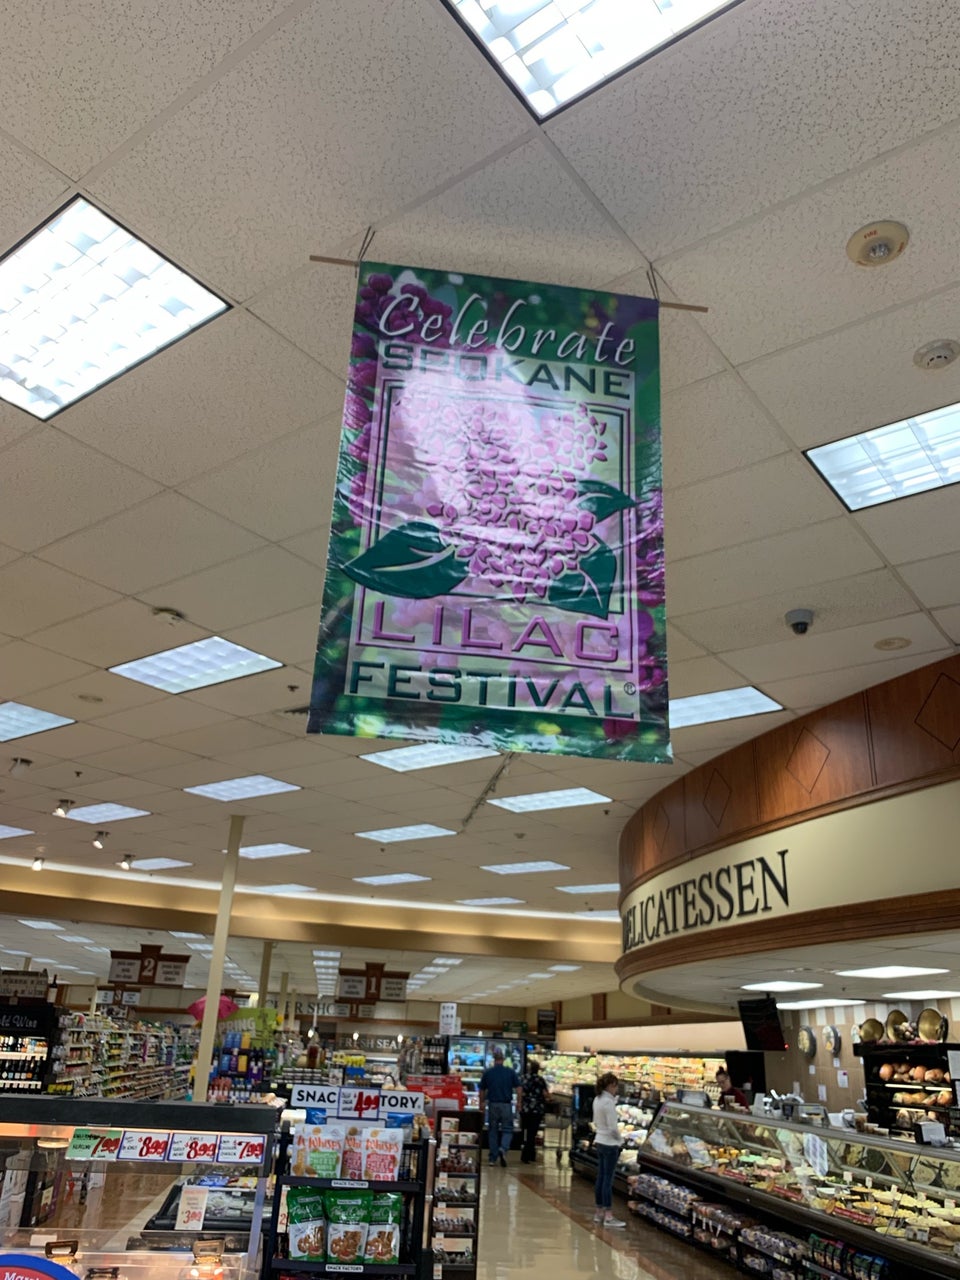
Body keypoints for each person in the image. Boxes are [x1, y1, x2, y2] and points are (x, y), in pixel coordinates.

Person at [479, 1047, 522, 1167]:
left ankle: (492, 1158)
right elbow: (519, 1088)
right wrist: (519, 1102)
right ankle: (503, 1148)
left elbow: (482, 1089)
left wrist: (481, 1103)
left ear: (494, 1060)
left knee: (492, 1131)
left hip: (492, 1104)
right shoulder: (510, 1072)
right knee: (507, 1129)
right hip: (506, 1105)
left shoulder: (488, 1072)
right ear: (503, 1060)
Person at [592, 1071, 625, 1227]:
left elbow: (596, 1122)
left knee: (600, 1177)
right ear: (611, 1085)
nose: (616, 1090)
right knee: (608, 1179)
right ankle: (609, 1216)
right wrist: (621, 1140)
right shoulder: (609, 1102)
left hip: (599, 1140)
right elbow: (613, 1127)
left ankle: (599, 1212)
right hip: (610, 1144)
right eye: (616, 1086)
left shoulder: (597, 1099)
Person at [519, 1059, 549, 1163]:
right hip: (537, 1109)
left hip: (525, 1108)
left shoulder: (523, 1078)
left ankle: (531, 1154)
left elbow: (520, 1091)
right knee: (532, 1133)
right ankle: (527, 1155)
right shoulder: (540, 1080)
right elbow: (545, 1093)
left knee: (526, 1131)